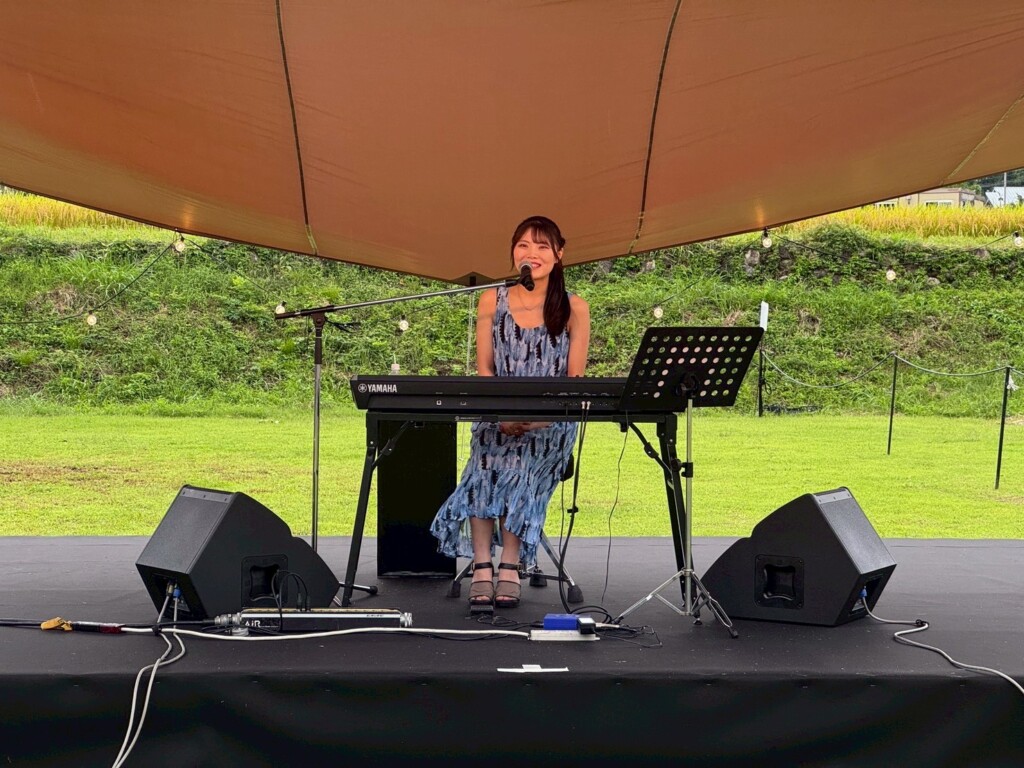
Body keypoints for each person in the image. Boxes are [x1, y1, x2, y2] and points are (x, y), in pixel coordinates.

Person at [430, 215, 590, 608]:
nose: (531, 253)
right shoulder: (492, 300)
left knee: (520, 459)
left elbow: (574, 381)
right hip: (497, 414)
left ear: (559, 253)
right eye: (523, 245)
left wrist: (536, 421)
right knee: (485, 457)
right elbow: (485, 370)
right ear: (513, 253)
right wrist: (502, 416)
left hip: (550, 424)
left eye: (541, 246)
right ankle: (482, 565)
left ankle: (510, 565)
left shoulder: (574, 307)